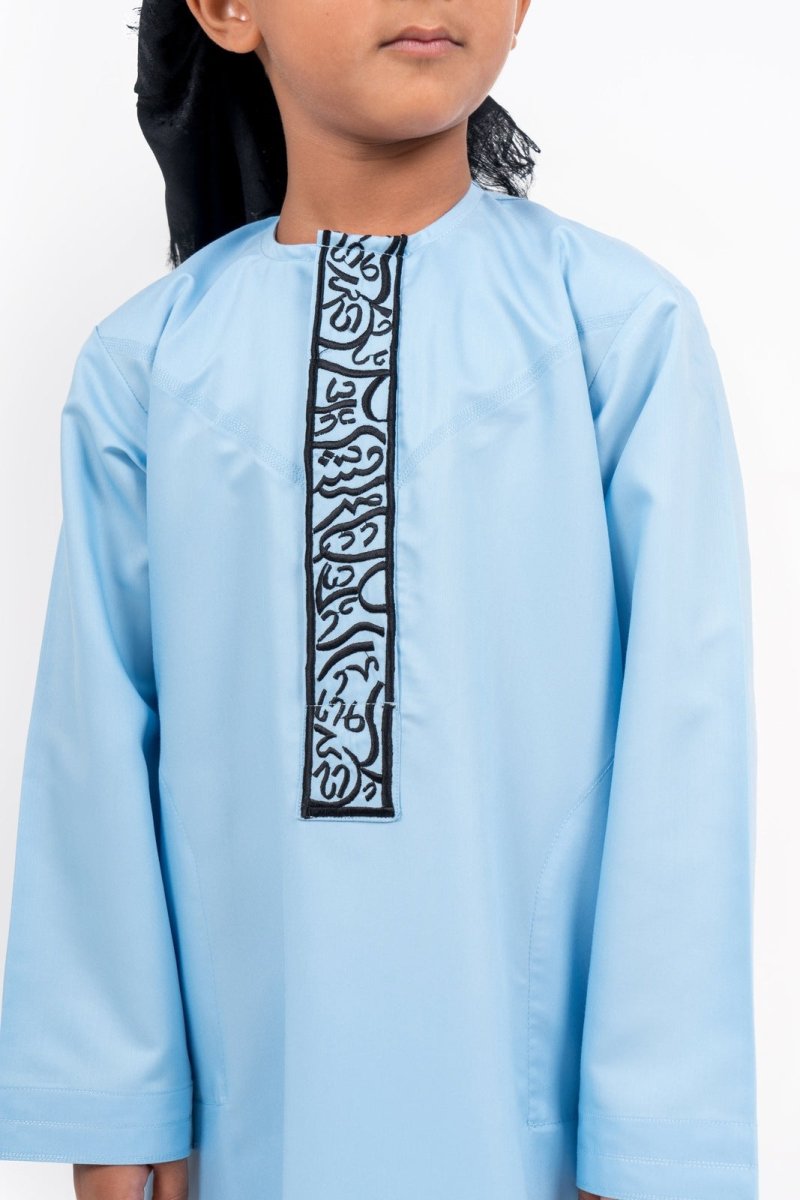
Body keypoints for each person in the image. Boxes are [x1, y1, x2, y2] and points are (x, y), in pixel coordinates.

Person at [0, 1, 759, 1199]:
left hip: (548, 1145)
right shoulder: (149, 367)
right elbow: (93, 753)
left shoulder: (615, 334)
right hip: (245, 1124)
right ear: (227, 9)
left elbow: (685, 755)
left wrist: (654, 1141)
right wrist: (116, 1100)